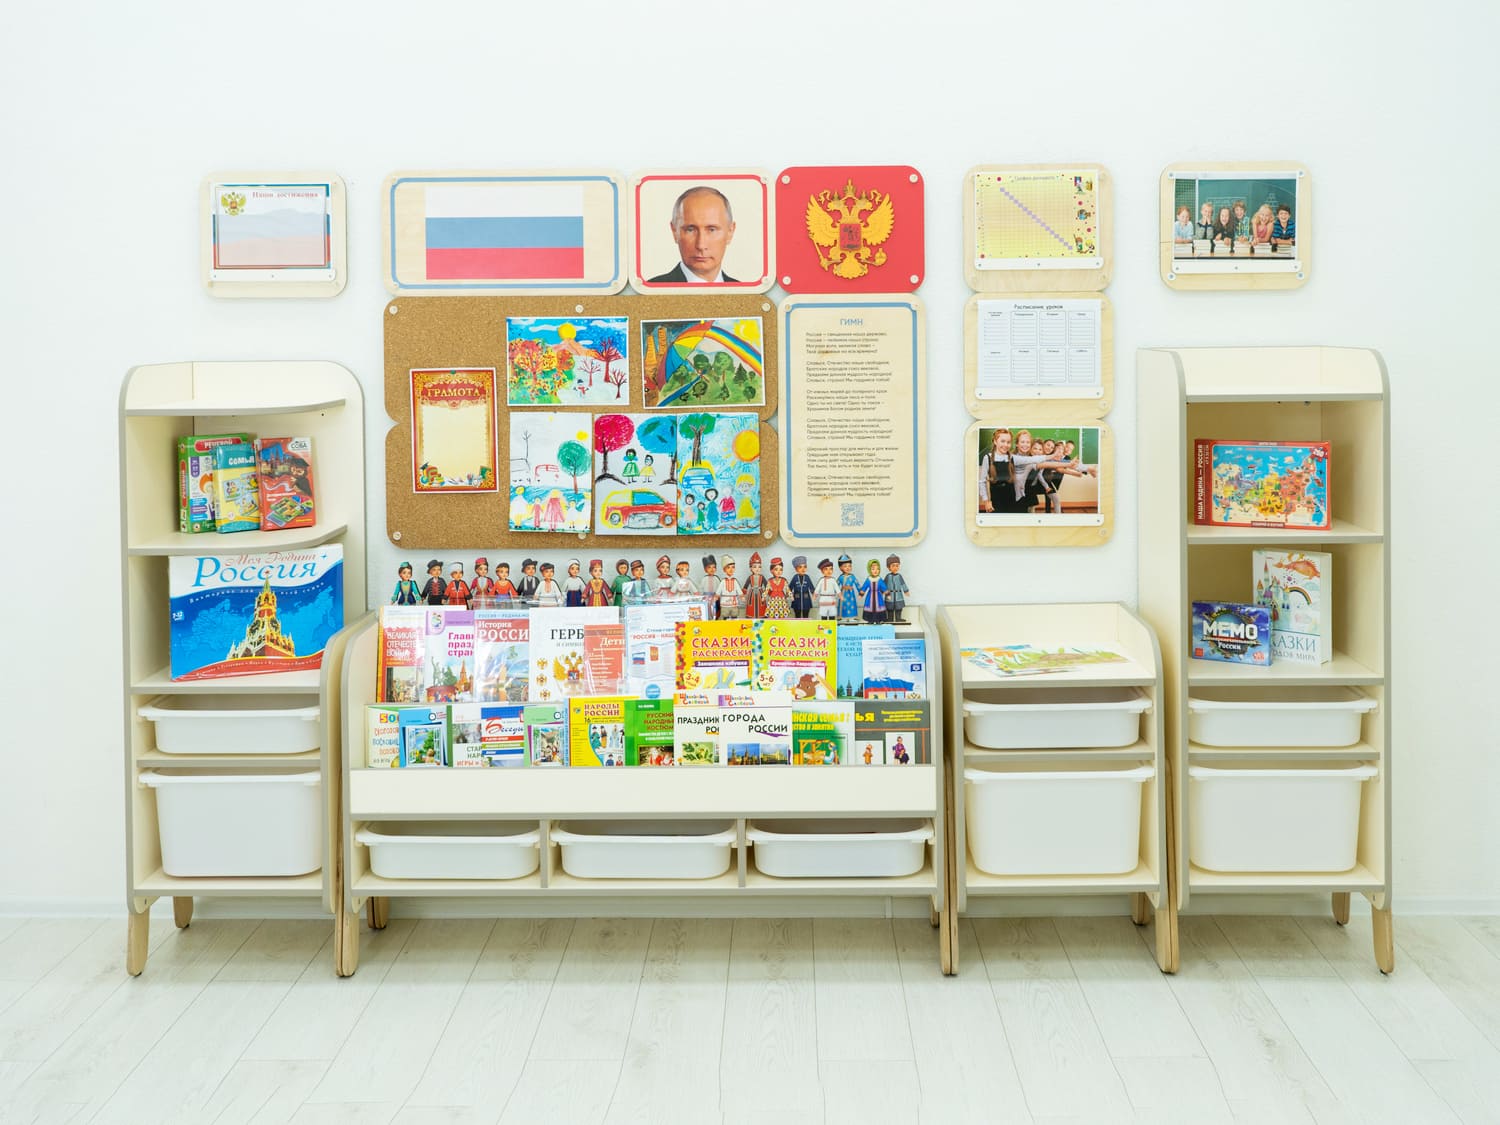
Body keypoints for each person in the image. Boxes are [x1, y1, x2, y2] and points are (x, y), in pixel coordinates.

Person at [649, 186, 739, 283]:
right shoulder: (648, 290)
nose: (701, 245)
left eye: (712, 230)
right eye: (690, 230)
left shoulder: (745, 291)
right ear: (674, 231)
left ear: (730, 232)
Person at [978, 428, 1020, 514]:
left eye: (1008, 442)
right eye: (1002, 441)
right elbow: (982, 481)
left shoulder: (1012, 457)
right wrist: (986, 501)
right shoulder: (988, 457)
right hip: (996, 502)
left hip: (1013, 501)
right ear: (995, 441)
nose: (1006, 445)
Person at [858, 559, 886, 624]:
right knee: (870, 607)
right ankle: (870, 620)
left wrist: (887, 593)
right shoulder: (868, 579)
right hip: (870, 596)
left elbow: (884, 587)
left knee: (879, 607)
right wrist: (861, 594)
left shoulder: (879, 579)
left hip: (878, 596)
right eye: (873, 569)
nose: (875, 571)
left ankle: (878, 620)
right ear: (869, 570)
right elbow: (864, 587)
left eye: (877, 569)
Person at [883, 555, 909, 624]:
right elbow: (883, 585)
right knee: (889, 608)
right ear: (889, 567)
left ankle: (898, 618)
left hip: (898, 595)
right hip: (889, 595)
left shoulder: (899, 576)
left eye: (897, 566)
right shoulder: (888, 576)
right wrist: (882, 591)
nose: (895, 568)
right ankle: (890, 618)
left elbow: (903, 584)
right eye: (893, 566)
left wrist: (906, 591)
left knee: (899, 608)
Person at [835, 553, 860, 623]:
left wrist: (861, 592)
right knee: (843, 604)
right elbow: (836, 585)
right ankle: (842, 617)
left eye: (849, 566)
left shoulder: (852, 576)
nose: (848, 568)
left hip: (851, 594)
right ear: (840, 568)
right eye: (845, 566)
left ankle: (852, 617)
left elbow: (857, 584)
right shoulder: (841, 577)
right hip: (843, 594)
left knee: (852, 604)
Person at [744, 551, 766, 619]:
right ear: (751, 568)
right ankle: (751, 617)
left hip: (760, 593)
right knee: (751, 605)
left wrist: (770, 593)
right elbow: (745, 586)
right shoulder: (750, 577)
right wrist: (742, 594)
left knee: (761, 605)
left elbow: (767, 586)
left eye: (759, 567)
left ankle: (761, 617)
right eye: (754, 567)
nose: (757, 569)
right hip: (752, 594)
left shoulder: (762, 577)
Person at [699, 554, 720, 618]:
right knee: (707, 610)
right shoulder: (704, 579)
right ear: (705, 569)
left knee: (714, 610)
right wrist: (701, 597)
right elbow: (701, 589)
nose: (712, 569)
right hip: (706, 598)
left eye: (714, 567)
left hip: (714, 598)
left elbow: (719, 589)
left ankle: (714, 619)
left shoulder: (716, 578)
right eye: (709, 567)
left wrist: (718, 596)